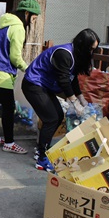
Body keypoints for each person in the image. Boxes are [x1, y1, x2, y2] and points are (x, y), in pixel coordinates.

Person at [22, 28, 100, 171]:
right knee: (51, 118)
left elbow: (73, 79)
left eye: (93, 49)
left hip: (44, 86)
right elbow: (64, 80)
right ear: (82, 44)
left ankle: (42, 149)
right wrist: (74, 102)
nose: (91, 52)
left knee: (58, 116)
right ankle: (41, 159)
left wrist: (81, 97)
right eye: (90, 48)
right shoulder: (64, 54)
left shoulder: (76, 55)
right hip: (34, 84)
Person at [0, 0, 40, 155]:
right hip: (1, 72)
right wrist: (27, 68)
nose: (33, 22)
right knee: (8, 109)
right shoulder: (18, 28)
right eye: (34, 18)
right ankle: (9, 143)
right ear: (27, 13)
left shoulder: (4, 23)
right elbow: (15, 57)